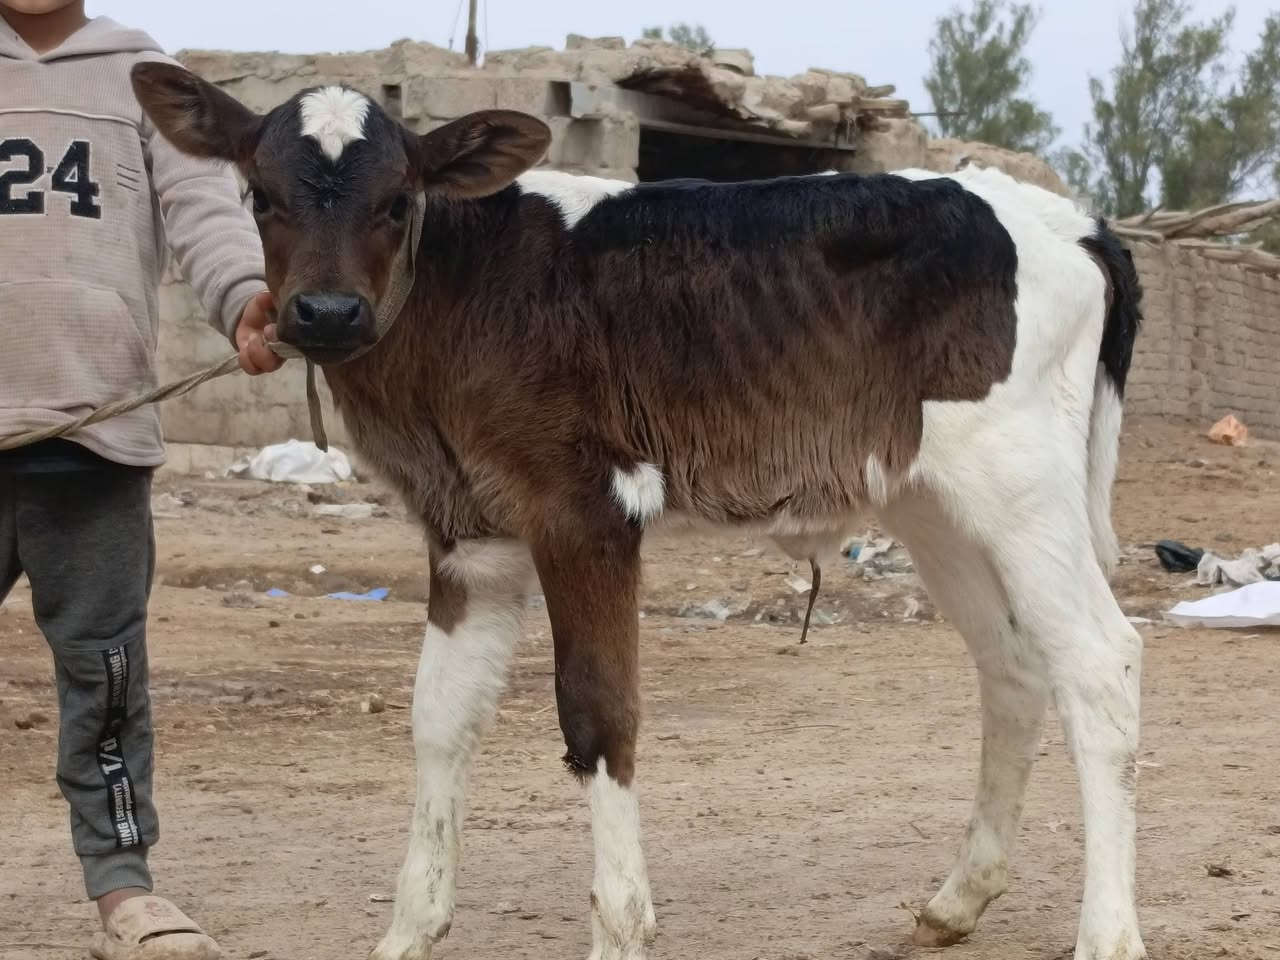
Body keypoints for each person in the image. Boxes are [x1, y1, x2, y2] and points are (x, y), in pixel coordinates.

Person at [1, 2, 283, 957]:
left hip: (93, 435)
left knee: (106, 676)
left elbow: (205, 213)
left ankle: (124, 888)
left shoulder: (147, 79)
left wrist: (247, 299)